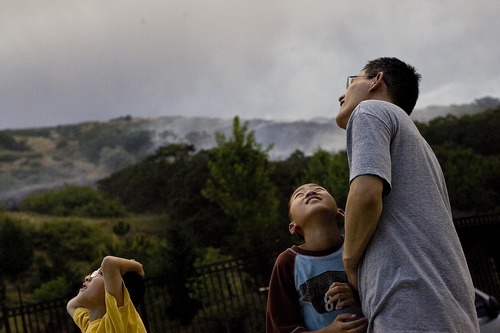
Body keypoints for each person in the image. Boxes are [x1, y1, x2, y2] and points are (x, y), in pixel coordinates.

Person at [336, 57, 479, 332]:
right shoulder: (416, 143)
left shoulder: (369, 110)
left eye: (351, 82)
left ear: (376, 80)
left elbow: (365, 196)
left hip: (411, 308)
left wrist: (349, 261)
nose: (341, 94)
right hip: (450, 311)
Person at [266, 183, 367, 333]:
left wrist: (359, 298)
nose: (310, 192)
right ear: (293, 226)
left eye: (319, 189)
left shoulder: (362, 245)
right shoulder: (287, 262)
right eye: (299, 194)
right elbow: (279, 328)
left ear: (340, 212)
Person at [67, 255, 147, 333]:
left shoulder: (117, 322)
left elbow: (109, 262)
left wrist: (138, 268)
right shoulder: (88, 326)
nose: (87, 277)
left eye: (101, 273)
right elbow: (70, 306)